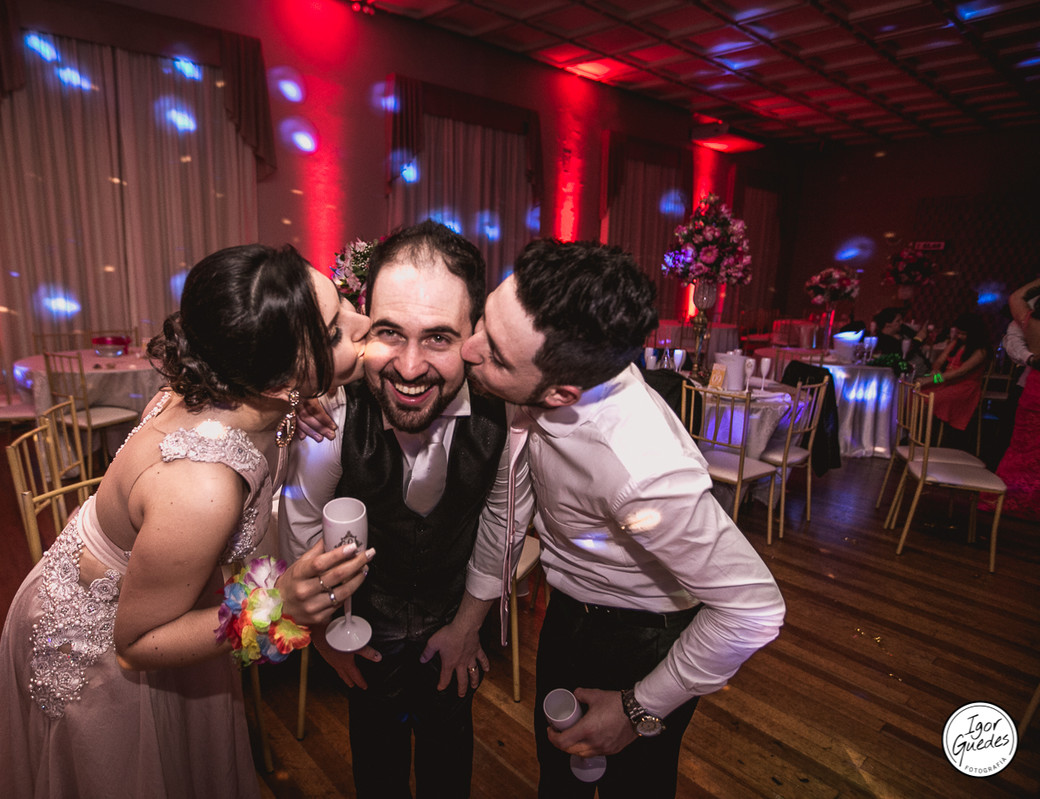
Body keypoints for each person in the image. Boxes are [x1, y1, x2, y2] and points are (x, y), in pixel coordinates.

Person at [0, 244, 374, 798]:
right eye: (335, 331)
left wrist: (295, 399)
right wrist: (278, 606)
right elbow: (136, 643)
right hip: (105, 641)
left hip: (171, 597)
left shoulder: (226, 380)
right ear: (276, 379)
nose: (363, 323)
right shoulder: (203, 487)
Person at [460, 239, 786, 799]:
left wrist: (638, 707)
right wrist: (467, 624)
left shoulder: (642, 469)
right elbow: (506, 511)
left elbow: (754, 611)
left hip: (644, 645)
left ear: (563, 392)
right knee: (558, 783)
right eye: (484, 323)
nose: (469, 350)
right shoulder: (533, 373)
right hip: (568, 619)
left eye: (494, 353)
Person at [279, 220, 532, 799]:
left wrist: (467, 627)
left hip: (454, 623)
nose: (410, 368)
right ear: (363, 323)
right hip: (364, 633)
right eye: (390, 333)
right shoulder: (334, 413)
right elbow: (300, 523)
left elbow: (501, 523)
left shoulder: (507, 420)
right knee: (377, 766)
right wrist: (319, 631)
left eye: (439, 338)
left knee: (450, 759)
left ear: (474, 337)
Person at [988, 277, 1040, 517]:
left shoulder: (1030, 322)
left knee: (1023, 446)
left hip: (1034, 387)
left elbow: (1015, 298)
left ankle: (1017, 497)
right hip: (1029, 387)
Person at [916, 311, 991, 436]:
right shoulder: (956, 343)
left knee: (930, 399)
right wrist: (935, 370)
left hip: (965, 387)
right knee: (918, 393)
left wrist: (932, 379)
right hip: (946, 381)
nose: (960, 336)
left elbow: (960, 372)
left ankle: (924, 436)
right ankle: (915, 433)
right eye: (959, 333)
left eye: (964, 334)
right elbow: (940, 360)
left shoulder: (981, 351)